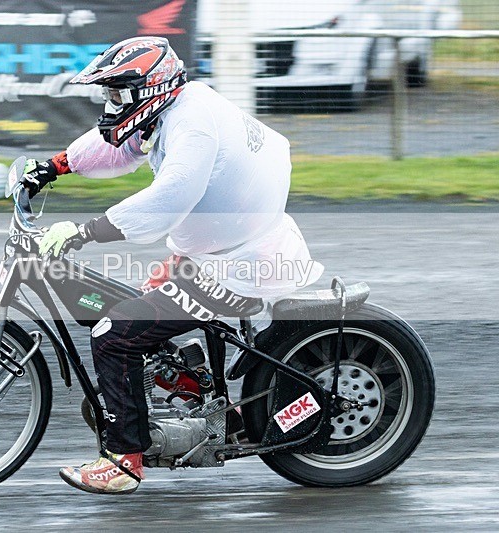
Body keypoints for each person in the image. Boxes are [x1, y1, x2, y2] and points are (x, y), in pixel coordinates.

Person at [20, 36, 324, 495]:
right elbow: (116, 147)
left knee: (112, 332)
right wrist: (55, 166)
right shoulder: (174, 109)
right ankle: (200, 393)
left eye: (119, 94)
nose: (111, 104)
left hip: (240, 266)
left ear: (150, 90)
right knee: (138, 307)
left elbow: (171, 197)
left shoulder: (192, 126)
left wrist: (85, 232)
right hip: (224, 248)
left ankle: (125, 460)